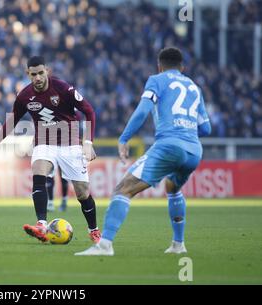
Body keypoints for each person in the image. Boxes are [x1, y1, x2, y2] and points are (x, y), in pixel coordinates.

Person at [75, 47, 211, 256]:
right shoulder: (194, 87)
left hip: (169, 145)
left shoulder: (157, 80)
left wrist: (124, 138)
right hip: (194, 151)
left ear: (159, 66)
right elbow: (206, 129)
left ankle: (105, 245)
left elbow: (143, 110)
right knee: (172, 188)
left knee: (123, 189)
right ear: (182, 67)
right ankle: (178, 244)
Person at [0, 56, 101, 243]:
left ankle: (94, 230)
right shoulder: (24, 96)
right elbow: (12, 121)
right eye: (33, 74)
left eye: (40, 73)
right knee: (39, 173)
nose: (37, 78)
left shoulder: (63, 88)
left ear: (47, 71)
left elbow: (89, 111)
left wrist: (88, 143)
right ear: (28, 74)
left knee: (82, 193)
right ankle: (41, 225)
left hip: (70, 143)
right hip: (44, 142)